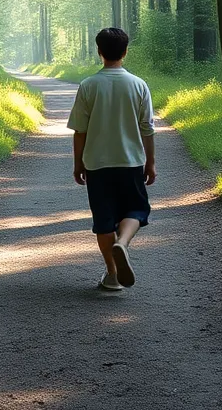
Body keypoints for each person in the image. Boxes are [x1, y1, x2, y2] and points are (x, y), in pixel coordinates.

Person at [67, 26, 156, 291]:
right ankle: (123, 243)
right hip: (131, 162)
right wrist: (150, 163)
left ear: (99, 52)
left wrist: (78, 163)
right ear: (125, 52)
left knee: (104, 220)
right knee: (137, 210)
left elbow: (80, 131)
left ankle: (113, 275)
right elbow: (147, 129)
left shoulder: (88, 85)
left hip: (98, 165)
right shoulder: (139, 85)